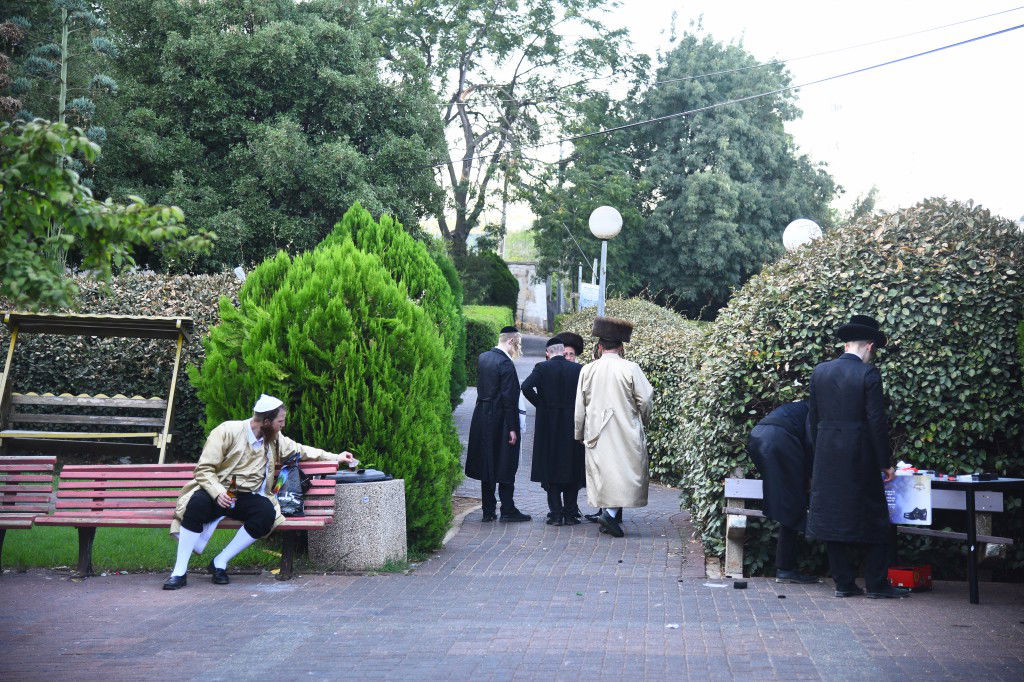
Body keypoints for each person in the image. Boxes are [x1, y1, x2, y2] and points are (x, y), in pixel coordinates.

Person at [163, 394, 355, 590]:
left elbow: (299, 450)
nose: (283, 425)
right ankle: (179, 572)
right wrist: (218, 493)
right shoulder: (226, 431)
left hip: (247, 495)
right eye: (280, 421)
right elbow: (204, 469)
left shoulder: (274, 438)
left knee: (266, 514)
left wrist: (335, 457)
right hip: (220, 489)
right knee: (196, 504)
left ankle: (220, 562)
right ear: (266, 421)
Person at [806, 315, 909, 599]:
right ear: (870, 346)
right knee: (876, 518)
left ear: (847, 344)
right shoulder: (868, 374)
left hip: (827, 455)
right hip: (859, 456)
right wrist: (885, 463)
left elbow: (813, 419)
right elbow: (876, 421)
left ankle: (843, 583)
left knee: (832, 517)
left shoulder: (820, 372)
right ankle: (876, 584)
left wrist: (819, 453)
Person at [573, 317, 654, 538]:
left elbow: (580, 406)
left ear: (599, 347)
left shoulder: (587, 370)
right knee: (625, 474)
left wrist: (579, 432)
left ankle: (607, 514)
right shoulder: (631, 368)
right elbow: (646, 400)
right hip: (626, 431)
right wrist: (644, 420)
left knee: (604, 474)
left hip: (596, 432)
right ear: (621, 347)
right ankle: (609, 515)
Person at [747, 400, 820, 584]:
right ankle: (786, 568)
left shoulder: (800, 407)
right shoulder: (816, 409)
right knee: (794, 501)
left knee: (789, 498)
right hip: (778, 439)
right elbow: (811, 442)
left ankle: (785, 567)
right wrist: (811, 475)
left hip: (757, 436)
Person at [465, 326, 531, 523]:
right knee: (506, 462)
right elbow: (509, 399)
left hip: (481, 415)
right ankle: (508, 508)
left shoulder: (483, 358)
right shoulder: (506, 363)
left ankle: (488, 510)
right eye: (517, 344)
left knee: (487, 461)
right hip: (500, 418)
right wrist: (513, 428)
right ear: (510, 341)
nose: (517, 349)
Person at [521, 336, 585, 526]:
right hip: (572, 423)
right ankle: (570, 513)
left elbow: (525, 387)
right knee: (572, 465)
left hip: (548, 425)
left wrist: (541, 405)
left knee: (551, 465)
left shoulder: (542, 367)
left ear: (548, 353)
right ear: (563, 351)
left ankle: (556, 514)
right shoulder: (578, 369)